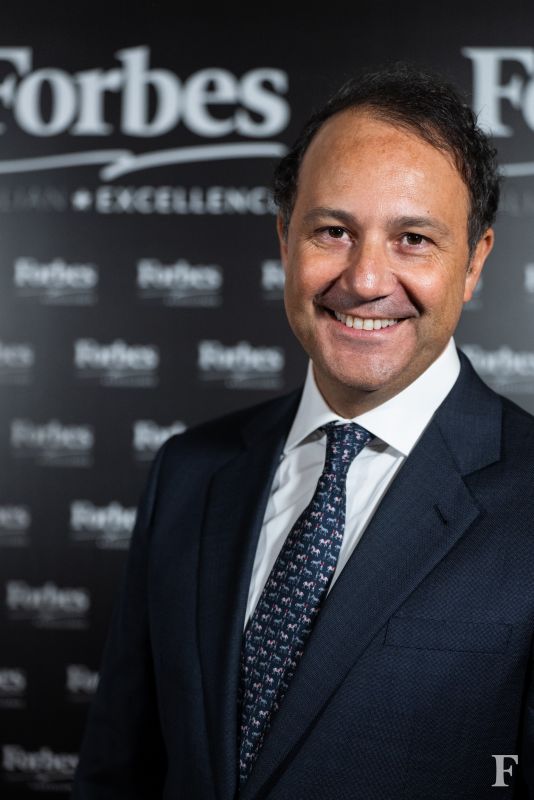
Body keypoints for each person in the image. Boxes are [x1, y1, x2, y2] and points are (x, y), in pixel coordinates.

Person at [73, 64, 534, 799]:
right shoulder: (188, 472)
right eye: (333, 231)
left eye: (414, 238)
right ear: (286, 240)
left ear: (475, 260)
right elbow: (120, 771)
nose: (366, 280)